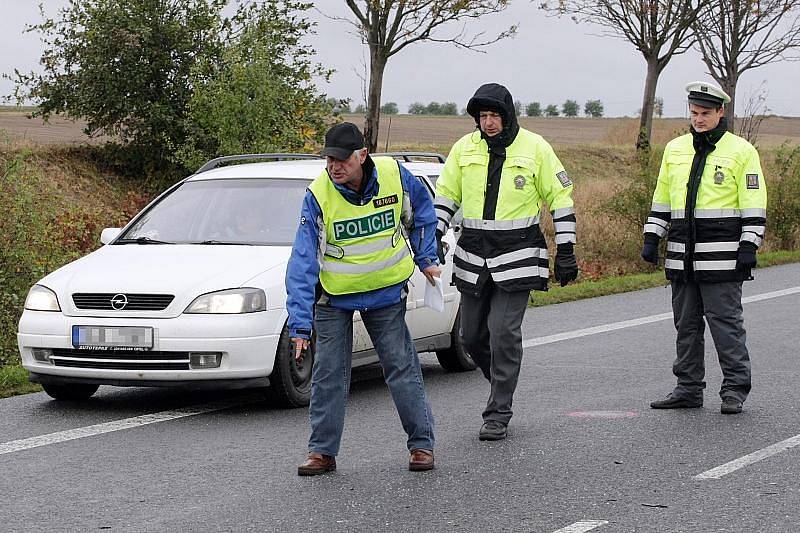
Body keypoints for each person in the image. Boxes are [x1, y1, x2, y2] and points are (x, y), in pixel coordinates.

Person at [286, 122, 440, 475]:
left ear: (362, 156)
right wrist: (298, 324)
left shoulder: (394, 175)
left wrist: (426, 258)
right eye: (328, 159)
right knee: (328, 375)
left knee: (401, 368)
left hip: (385, 293)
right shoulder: (318, 194)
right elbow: (303, 260)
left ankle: (421, 445)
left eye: (341, 160)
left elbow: (423, 215)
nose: (334, 166)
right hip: (335, 297)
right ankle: (322, 452)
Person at [434, 83, 578, 441]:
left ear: (508, 115)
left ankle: (498, 410)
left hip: (518, 255)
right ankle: (500, 380)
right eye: (482, 117)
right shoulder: (464, 149)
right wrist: (432, 235)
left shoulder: (535, 148)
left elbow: (560, 198)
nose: (488, 123)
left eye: (494, 115)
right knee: (471, 335)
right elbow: (446, 195)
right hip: (473, 255)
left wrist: (567, 249)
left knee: (502, 333)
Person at [643, 81, 767, 415]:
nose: (698, 119)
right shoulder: (675, 149)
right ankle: (688, 388)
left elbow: (754, 202)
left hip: (723, 255)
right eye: (694, 113)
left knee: (725, 324)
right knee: (686, 325)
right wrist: (652, 236)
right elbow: (663, 198)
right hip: (682, 254)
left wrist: (749, 245)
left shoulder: (741, 151)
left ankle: (735, 390)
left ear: (721, 112)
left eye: (705, 113)